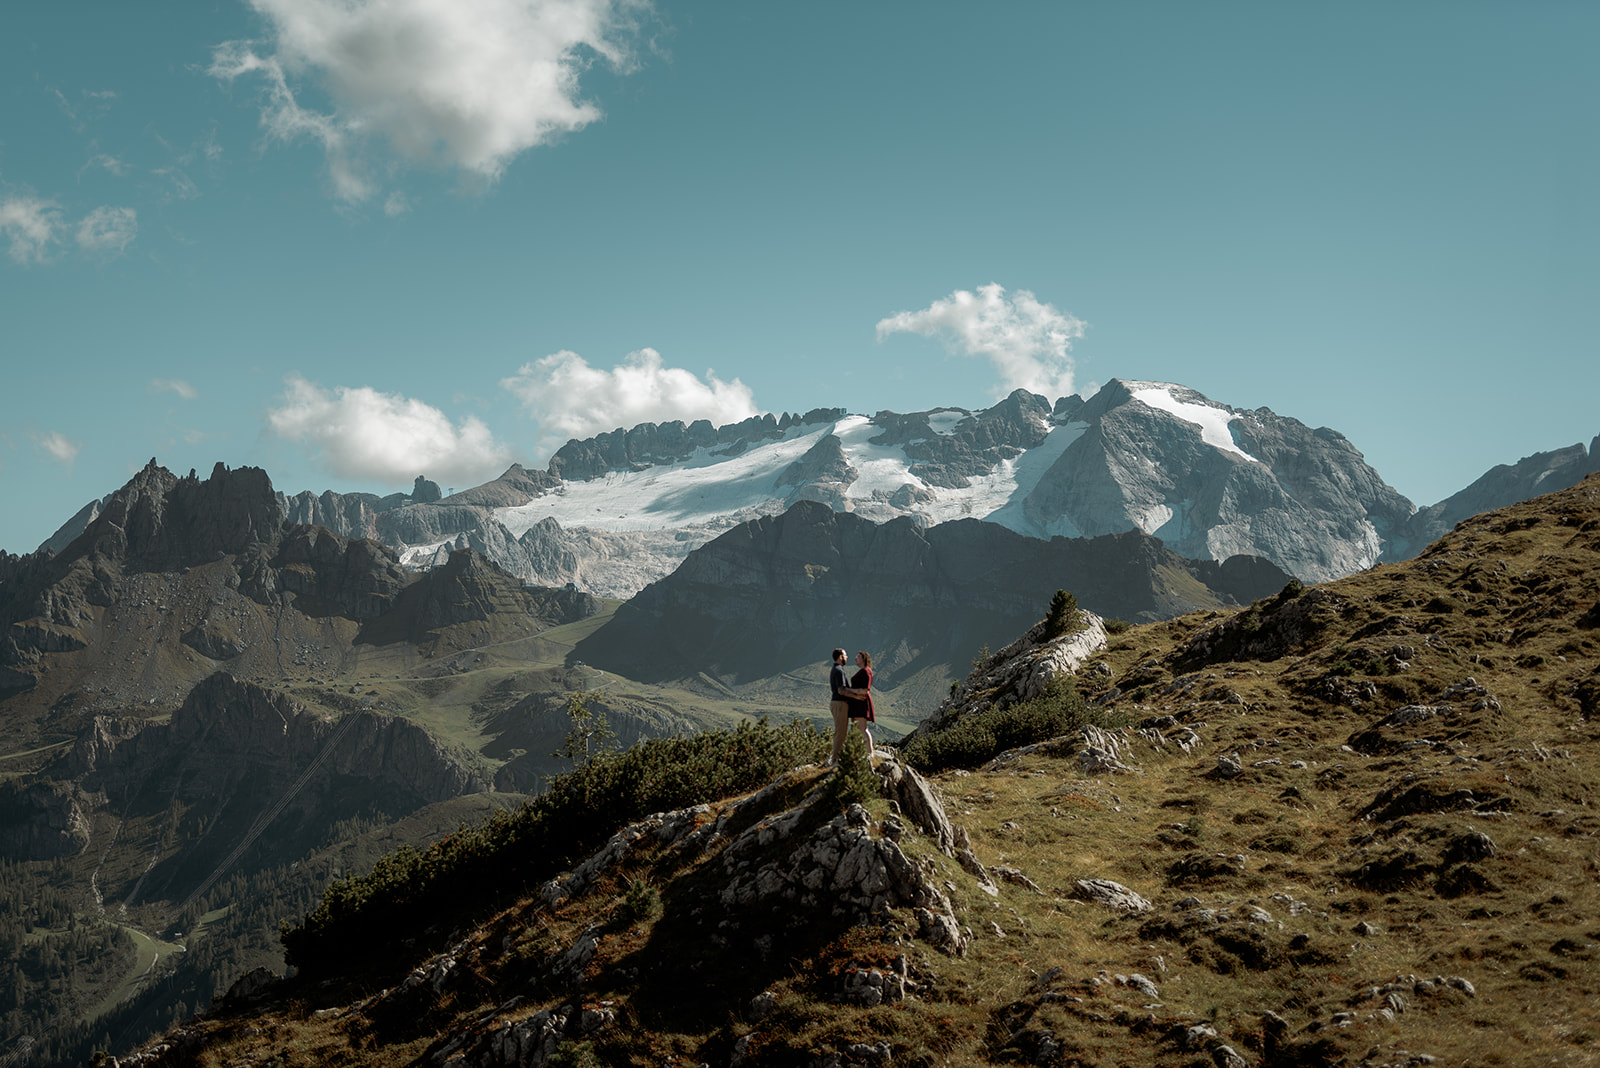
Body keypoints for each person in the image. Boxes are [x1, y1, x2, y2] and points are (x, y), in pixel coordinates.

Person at [843, 650, 875, 759]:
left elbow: (865, 690)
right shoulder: (864, 671)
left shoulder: (866, 671)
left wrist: (849, 690)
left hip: (861, 702)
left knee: (862, 728)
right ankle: (860, 751)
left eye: (858, 657)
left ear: (863, 659)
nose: (855, 658)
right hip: (857, 702)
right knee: (857, 728)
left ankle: (869, 753)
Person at [826, 647, 851, 766]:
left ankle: (837, 757)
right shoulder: (839, 670)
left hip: (837, 703)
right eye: (845, 655)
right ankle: (835, 760)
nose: (847, 657)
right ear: (840, 657)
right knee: (840, 733)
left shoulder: (835, 669)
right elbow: (841, 690)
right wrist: (856, 695)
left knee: (840, 732)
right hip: (840, 703)